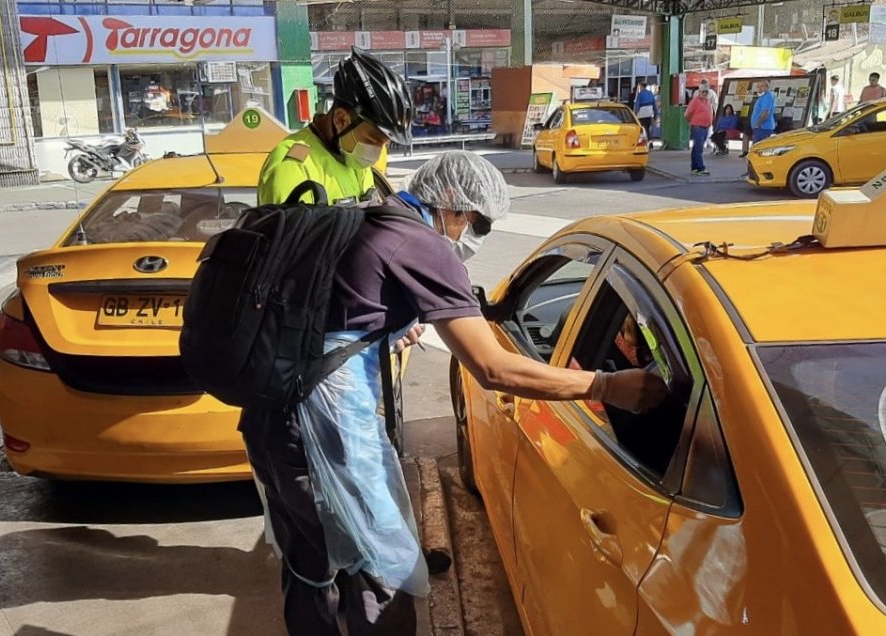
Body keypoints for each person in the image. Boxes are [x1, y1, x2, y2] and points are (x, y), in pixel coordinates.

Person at [240, 151, 668, 635]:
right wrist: (606, 385)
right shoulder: (421, 244)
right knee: (386, 567)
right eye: (477, 221)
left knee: (309, 564)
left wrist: (380, 330)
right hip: (328, 434)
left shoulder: (365, 218)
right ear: (450, 203)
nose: (475, 234)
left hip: (271, 416)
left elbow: (333, 314)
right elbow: (492, 366)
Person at [257, 48, 412, 207]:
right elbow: (287, 231)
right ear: (341, 119)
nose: (376, 153)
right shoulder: (293, 167)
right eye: (372, 140)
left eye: (384, 144)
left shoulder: (353, 160)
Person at [685, 87, 714, 176]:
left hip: (705, 127)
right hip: (698, 127)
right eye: (703, 91)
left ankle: (694, 168)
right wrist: (691, 122)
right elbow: (687, 114)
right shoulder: (695, 101)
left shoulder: (707, 101)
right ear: (699, 92)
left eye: (706, 92)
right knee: (699, 148)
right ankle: (700, 168)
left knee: (696, 148)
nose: (704, 93)